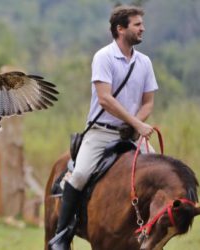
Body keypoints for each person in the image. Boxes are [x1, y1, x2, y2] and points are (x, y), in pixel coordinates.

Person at [49, 5, 158, 250]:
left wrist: (136, 125)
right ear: (120, 29)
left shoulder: (145, 62)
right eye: (137, 24)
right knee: (79, 175)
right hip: (101, 132)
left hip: (132, 134)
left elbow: (148, 101)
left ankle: (151, 232)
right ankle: (62, 236)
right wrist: (137, 123)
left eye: (142, 23)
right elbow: (105, 99)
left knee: (159, 174)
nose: (143, 28)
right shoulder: (103, 57)